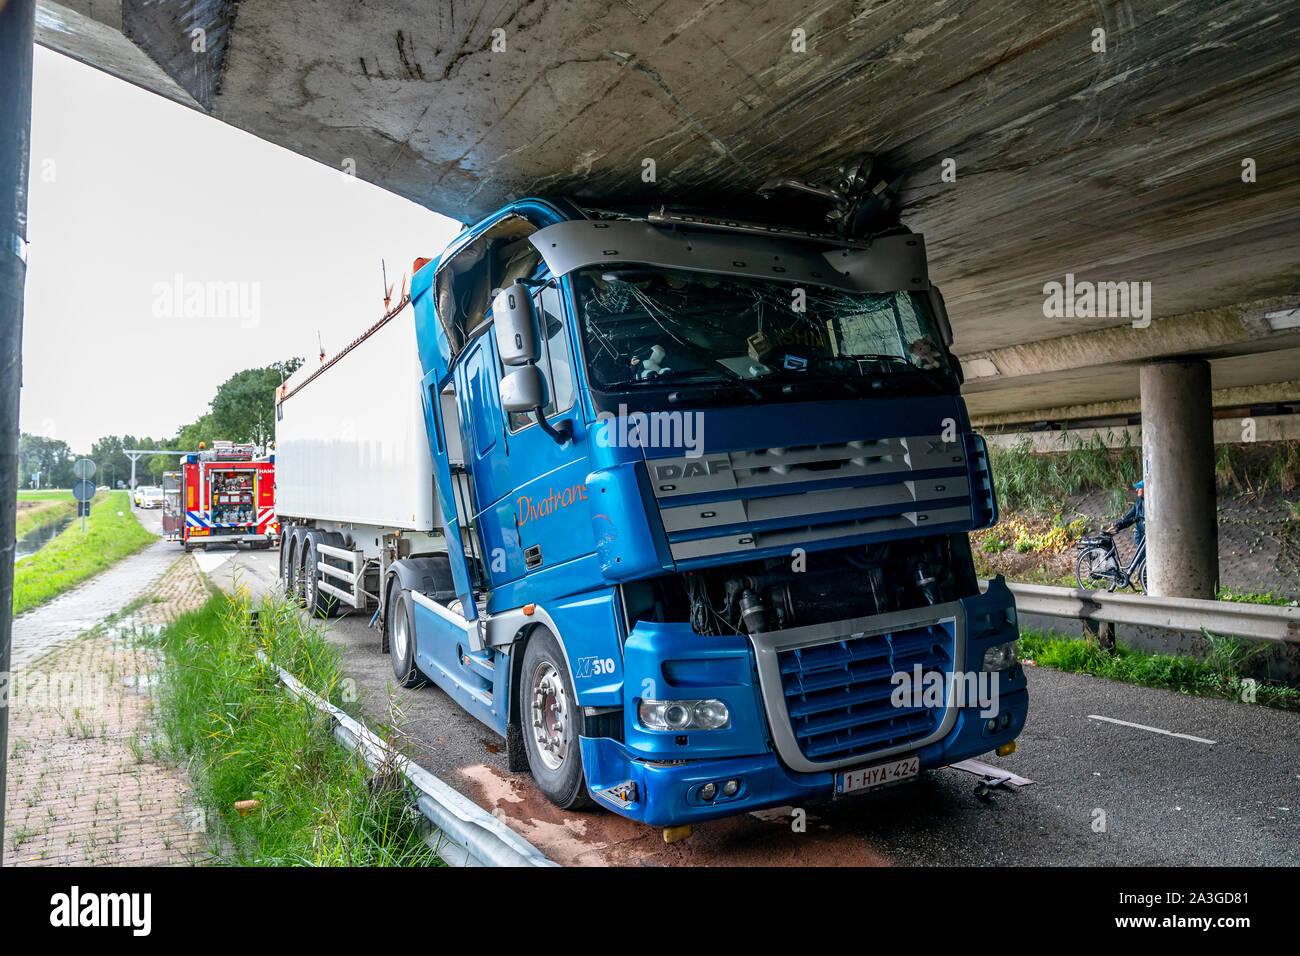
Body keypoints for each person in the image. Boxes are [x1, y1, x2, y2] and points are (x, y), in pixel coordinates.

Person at [1107, 479, 1145, 551]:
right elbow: (1129, 517)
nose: (1137, 490)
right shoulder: (1139, 502)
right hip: (1140, 536)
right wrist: (1117, 526)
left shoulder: (1151, 503)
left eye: (1139, 488)